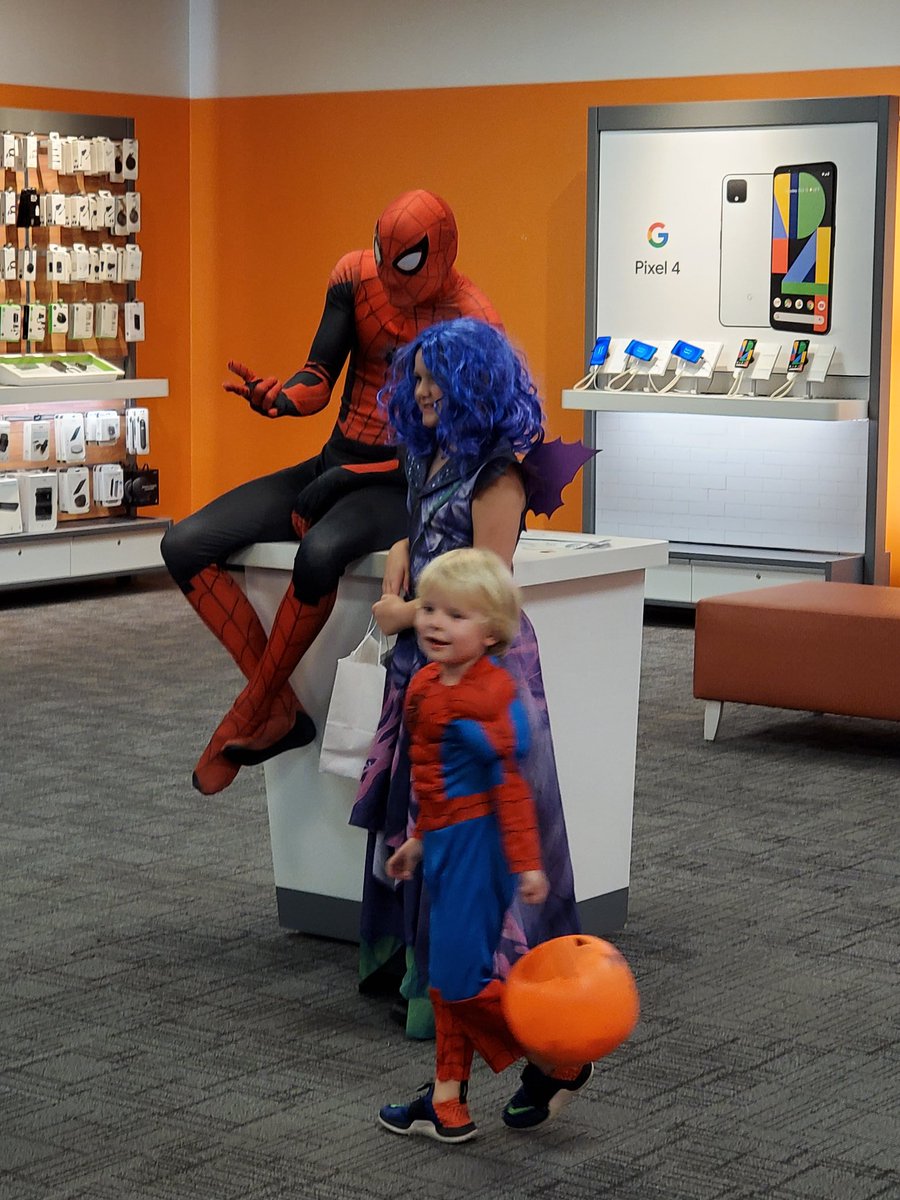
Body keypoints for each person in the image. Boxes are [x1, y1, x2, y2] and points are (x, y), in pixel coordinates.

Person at [160, 190, 501, 795]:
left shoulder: (473, 318)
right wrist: (283, 398)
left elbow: (467, 435)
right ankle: (277, 709)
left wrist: (362, 477)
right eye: (385, 257)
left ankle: (253, 709)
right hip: (336, 460)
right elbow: (320, 374)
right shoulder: (354, 276)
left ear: (440, 255)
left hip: (404, 482)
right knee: (184, 543)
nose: (392, 278)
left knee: (318, 553)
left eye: (408, 263)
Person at [350, 317, 579, 1039]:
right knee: (421, 807)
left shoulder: (497, 473)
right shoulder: (435, 456)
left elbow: (487, 588)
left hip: (480, 668)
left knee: (471, 817)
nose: (419, 392)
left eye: (432, 381)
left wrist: (403, 613)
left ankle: (476, 985)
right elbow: (424, 529)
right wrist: (398, 551)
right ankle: (423, 970)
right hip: (428, 663)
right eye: (415, 379)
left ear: (471, 385)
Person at [377, 548, 592, 1142]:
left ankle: (556, 1060)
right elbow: (433, 778)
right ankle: (448, 1101)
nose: (434, 622)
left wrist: (526, 863)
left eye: (457, 615)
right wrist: (420, 841)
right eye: (429, 608)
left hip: (481, 850)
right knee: (447, 978)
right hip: (445, 846)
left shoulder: (493, 695)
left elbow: (510, 789)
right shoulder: (423, 683)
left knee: (463, 979)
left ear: (493, 631)